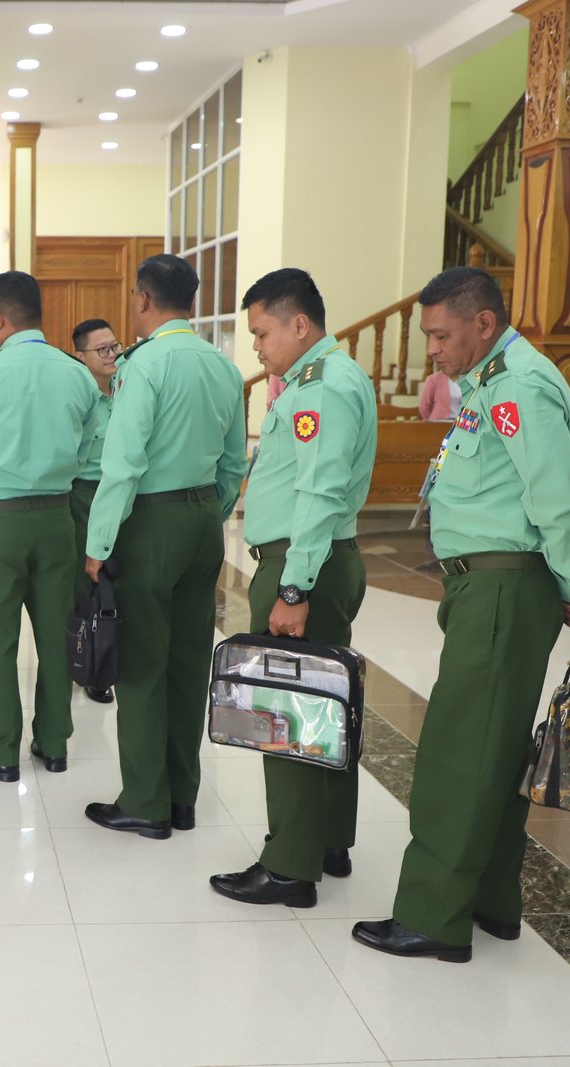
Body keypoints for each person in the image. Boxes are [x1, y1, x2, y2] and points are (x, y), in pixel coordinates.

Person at [353, 267, 570, 963]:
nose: (433, 349)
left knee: (460, 752)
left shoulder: (518, 386)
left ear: (484, 323)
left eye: (441, 335)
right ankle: (491, 900)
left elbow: (556, 498)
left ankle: (434, 916)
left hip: (502, 589)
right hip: (491, 588)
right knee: (493, 750)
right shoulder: (492, 381)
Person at [209, 268, 376, 904]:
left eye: (261, 333)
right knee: (323, 703)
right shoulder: (324, 379)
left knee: (287, 712)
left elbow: (320, 492)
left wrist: (294, 589)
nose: (256, 346)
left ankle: (288, 867)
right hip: (315, 560)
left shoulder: (322, 389)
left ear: (299, 324)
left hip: (303, 564)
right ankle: (326, 841)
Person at [81, 253, 248, 839]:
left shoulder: (145, 364)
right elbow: (234, 463)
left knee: (142, 664)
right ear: (192, 302)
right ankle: (182, 798)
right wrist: (208, 514)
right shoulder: (222, 365)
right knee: (187, 663)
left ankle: (145, 803)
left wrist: (99, 542)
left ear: (143, 299)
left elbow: (123, 463)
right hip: (203, 521)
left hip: (151, 522)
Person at [0, 271, 99, 782]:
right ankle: (54, 744)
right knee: (55, 636)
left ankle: (0, 749)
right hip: (57, 519)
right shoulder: (77, 374)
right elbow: (90, 449)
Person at [69, 317, 123, 704]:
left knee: (119, 578)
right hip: (85, 493)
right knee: (89, 580)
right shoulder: (76, 398)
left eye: (115, 346)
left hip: (123, 493)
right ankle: (89, 663)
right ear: (80, 356)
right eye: (102, 349)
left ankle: (113, 654)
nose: (111, 355)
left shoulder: (128, 391)